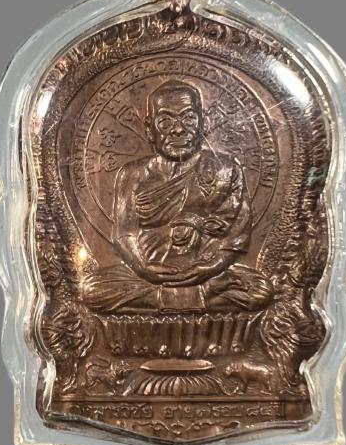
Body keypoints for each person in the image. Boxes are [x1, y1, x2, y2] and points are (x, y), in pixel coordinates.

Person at [80, 80, 273, 311]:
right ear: (149, 129)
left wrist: (210, 268)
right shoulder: (133, 174)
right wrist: (143, 268)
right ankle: (194, 296)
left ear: (203, 123)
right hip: (149, 273)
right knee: (91, 290)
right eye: (166, 121)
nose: (178, 130)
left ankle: (165, 298)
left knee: (260, 290)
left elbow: (235, 237)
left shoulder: (227, 168)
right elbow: (124, 233)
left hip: (208, 272)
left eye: (188, 119)